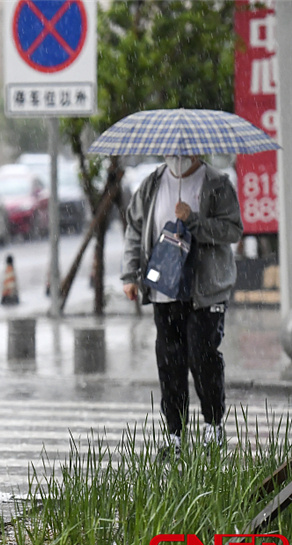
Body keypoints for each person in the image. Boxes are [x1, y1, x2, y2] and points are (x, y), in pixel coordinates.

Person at [121, 155, 243, 458]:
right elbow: (135, 229)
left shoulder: (217, 183)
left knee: (203, 357)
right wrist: (130, 273)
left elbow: (232, 230)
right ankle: (175, 434)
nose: (177, 155)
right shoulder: (151, 184)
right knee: (169, 361)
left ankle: (213, 426)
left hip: (205, 291)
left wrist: (194, 222)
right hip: (164, 288)